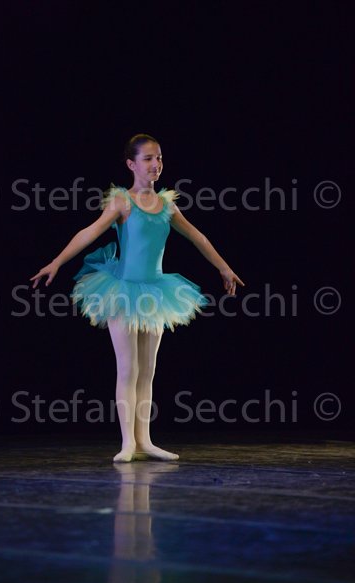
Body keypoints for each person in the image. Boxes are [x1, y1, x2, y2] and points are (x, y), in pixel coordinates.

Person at [30, 133, 245, 462]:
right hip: (122, 292)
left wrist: (224, 268)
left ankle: (145, 440)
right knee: (127, 368)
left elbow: (198, 237)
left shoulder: (167, 205)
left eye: (159, 158)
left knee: (148, 370)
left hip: (156, 292)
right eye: (148, 159)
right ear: (131, 164)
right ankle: (127, 442)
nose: (156, 164)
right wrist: (56, 262)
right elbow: (89, 232)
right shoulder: (122, 202)